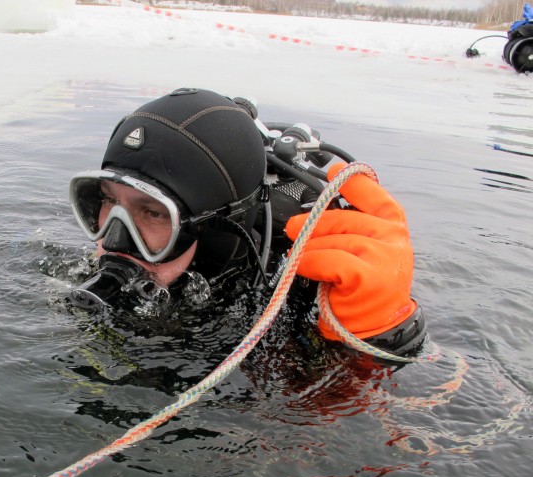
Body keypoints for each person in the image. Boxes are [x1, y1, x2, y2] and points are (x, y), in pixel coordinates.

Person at [67, 88, 426, 358]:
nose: (113, 241)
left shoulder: (294, 289)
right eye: (109, 200)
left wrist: (384, 334)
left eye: (154, 212)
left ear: (214, 230)